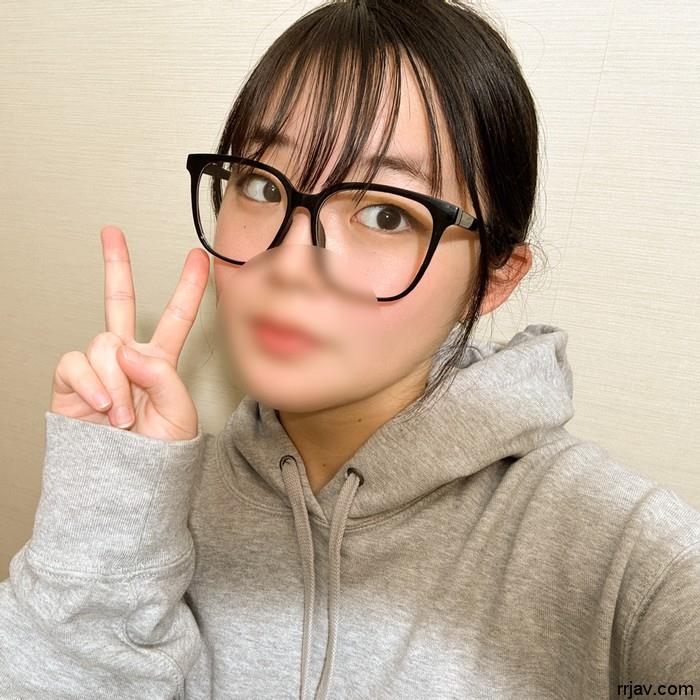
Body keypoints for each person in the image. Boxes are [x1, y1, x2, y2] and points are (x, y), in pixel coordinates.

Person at [1, 1, 699, 698]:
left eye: (385, 213)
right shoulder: (161, 494)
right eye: (261, 184)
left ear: (493, 278)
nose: (290, 261)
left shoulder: (627, 555)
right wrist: (108, 518)